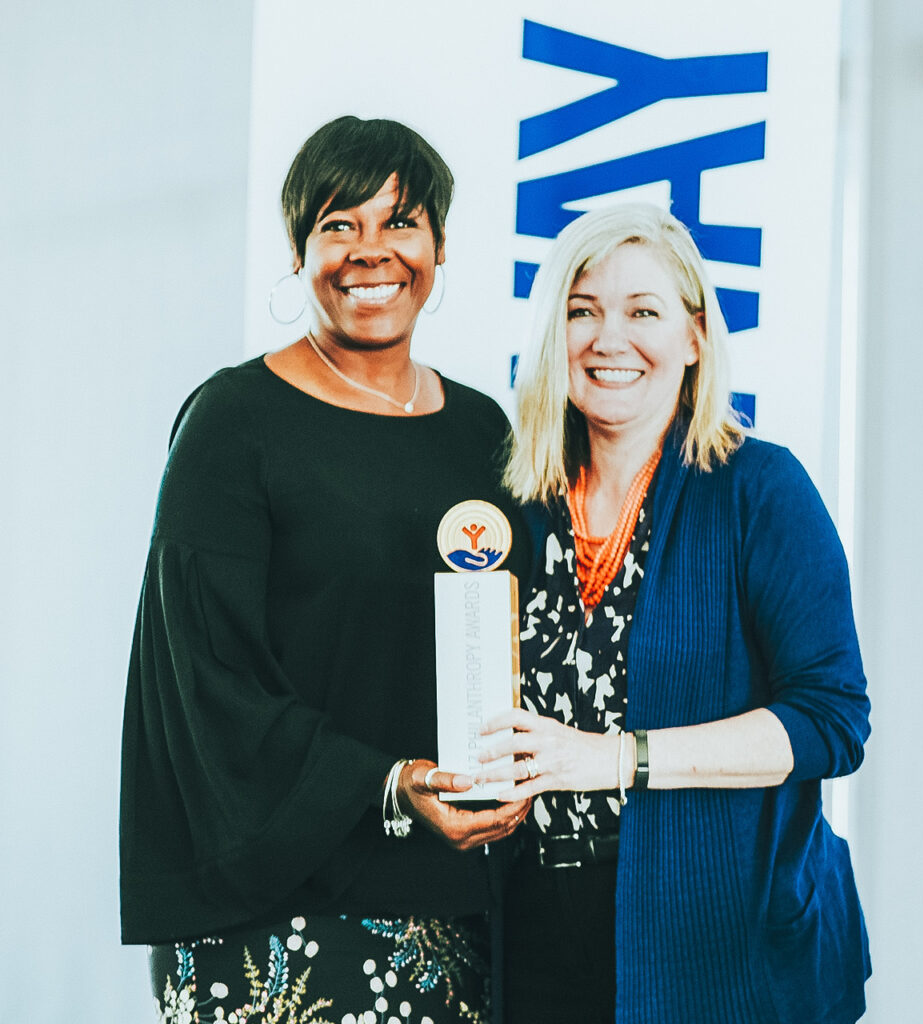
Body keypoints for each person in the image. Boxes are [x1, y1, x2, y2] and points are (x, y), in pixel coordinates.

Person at [120, 115, 530, 1024]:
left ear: (440, 245)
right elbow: (203, 680)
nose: (371, 251)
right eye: (339, 224)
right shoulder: (234, 423)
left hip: (449, 908)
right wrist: (387, 784)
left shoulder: (482, 433)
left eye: (400, 222)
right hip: (273, 918)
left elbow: (516, 641)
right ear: (300, 252)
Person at [477, 203, 871, 1023]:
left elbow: (831, 721)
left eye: (643, 312)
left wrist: (617, 758)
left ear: (694, 337)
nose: (608, 339)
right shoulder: (516, 502)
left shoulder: (759, 489)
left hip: (721, 945)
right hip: (538, 936)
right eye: (582, 311)